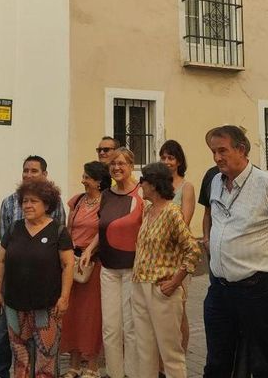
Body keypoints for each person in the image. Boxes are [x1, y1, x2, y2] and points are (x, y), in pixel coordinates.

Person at [202, 125, 268, 378]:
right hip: (220, 289)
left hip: (256, 289)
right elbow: (210, 218)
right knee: (217, 362)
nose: (217, 157)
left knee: (261, 363)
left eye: (222, 150)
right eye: (213, 151)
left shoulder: (267, 185)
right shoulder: (215, 182)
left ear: (241, 149)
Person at [0, 180, 74, 378]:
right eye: (24, 201)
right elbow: (0, 261)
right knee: (21, 357)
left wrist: (65, 297)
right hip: (14, 306)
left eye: (33, 201)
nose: (27, 205)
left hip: (47, 306)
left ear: (46, 204)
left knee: (46, 358)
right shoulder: (14, 229)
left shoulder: (58, 231)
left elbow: (68, 265)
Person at [132, 162, 202, 378]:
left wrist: (175, 281)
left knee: (170, 352)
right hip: (140, 287)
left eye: (143, 181)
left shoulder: (172, 213)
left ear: (153, 184)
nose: (140, 184)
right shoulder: (148, 210)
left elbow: (193, 250)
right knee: (144, 350)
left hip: (162, 290)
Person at [79, 147, 143, 378]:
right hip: (108, 268)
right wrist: (89, 249)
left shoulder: (141, 194)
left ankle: (133, 373)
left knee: (130, 328)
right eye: (113, 164)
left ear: (131, 165)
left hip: (132, 268)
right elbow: (101, 228)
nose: (116, 168)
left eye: (121, 163)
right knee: (110, 328)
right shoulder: (106, 195)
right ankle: (115, 373)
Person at [60, 161, 112, 378]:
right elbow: (68, 228)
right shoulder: (78, 201)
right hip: (74, 261)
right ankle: (73, 363)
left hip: (93, 265)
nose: (82, 180)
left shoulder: (107, 202)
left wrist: (90, 249)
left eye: (87, 177)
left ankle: (92, 365)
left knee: (91, 315)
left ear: (98, 181)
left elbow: (103, 230)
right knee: (71, 314)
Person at [159, 139, 196, 352]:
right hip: (157, 256)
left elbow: (185, 220)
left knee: (179, 306)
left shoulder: (186, 187)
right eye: (163, 157)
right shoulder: (157, 186)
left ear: (179, 161)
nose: (166, 162)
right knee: (162, 308)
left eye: (170, 158)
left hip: (178, 254)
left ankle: (180, 355)